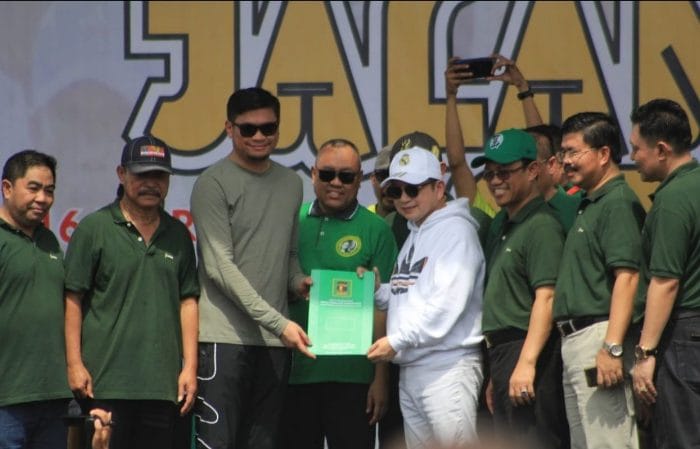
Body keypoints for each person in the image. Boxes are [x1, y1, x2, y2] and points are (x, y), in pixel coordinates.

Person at [191, 87, 313, 449]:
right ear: (229, 128)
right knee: (218, 443)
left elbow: (289, 254)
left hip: (274, 343)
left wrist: (298, 282)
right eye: (248, 129)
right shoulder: (212, 183)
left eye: (268, 128)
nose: (260, 136)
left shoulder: (291, 184)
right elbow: (219, 267)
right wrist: (279, 322)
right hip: (224, 339)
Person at [64, 135, 200, 449]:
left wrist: (190, 368)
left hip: (162, 387)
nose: (151, 183)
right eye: (141, 174)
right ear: (121, 174)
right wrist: (74, 364)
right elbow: (72, 299)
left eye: (159, 176)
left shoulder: (178, 234)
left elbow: (188, 301)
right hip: (103, 384)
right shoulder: (94, 228)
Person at [363, 146, 485, 449]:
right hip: (413, 368)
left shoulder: (456, 232)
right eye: (396, 190)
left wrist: (396, 340)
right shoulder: (416, 231)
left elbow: (445, 306)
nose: (404, 198)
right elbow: (410, 294)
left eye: (413, 189)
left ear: (439, 188)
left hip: (446, 368)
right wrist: (378, 291)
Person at [283, 138, 398, 449]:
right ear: (313, 174)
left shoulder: (376, 229)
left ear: (360, 179)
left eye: (346, 176)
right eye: (327, 174)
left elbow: (385, 308)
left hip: (355, 377)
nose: (336, 183)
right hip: (295, 373)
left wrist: (380, 378)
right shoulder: (291, 222)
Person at [470, 129, 569, 449]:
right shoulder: (503, 223)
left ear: (533, 170)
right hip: (502, 354)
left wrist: (526, 363)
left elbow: (547, 297)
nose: (495, 181)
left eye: (504, 172)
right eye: (489, 174)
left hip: (529, 349)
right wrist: (496, 374)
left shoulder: (541, 225)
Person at [552, 112, 645, 449]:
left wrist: (612, 347)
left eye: (573, 151)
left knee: (608, 443)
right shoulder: (590, 201)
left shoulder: (617, 202)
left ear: (604, 153)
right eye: (563, 152)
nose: (566, 161)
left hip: (599, 337)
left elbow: (628, 277)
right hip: (578, 341)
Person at [628, 98, 700, 449]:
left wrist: (645, 354)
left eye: (636, 148)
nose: (632, 157)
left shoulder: (673, 199)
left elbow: (666, 281)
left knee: (680, 438)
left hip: (682, 335)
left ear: (661, 149)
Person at [0, 150, 71, 449]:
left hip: (52, 398)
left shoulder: (49, 241)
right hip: (7, 399)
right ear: (7, 188)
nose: (42, 198)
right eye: (33, 188)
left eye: (49, 190)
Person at [368, 145, 395, 217]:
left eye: (396, 178)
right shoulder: (364, 219)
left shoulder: (417, 220)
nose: (389, 185)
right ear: (373, 179)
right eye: (383, 175)